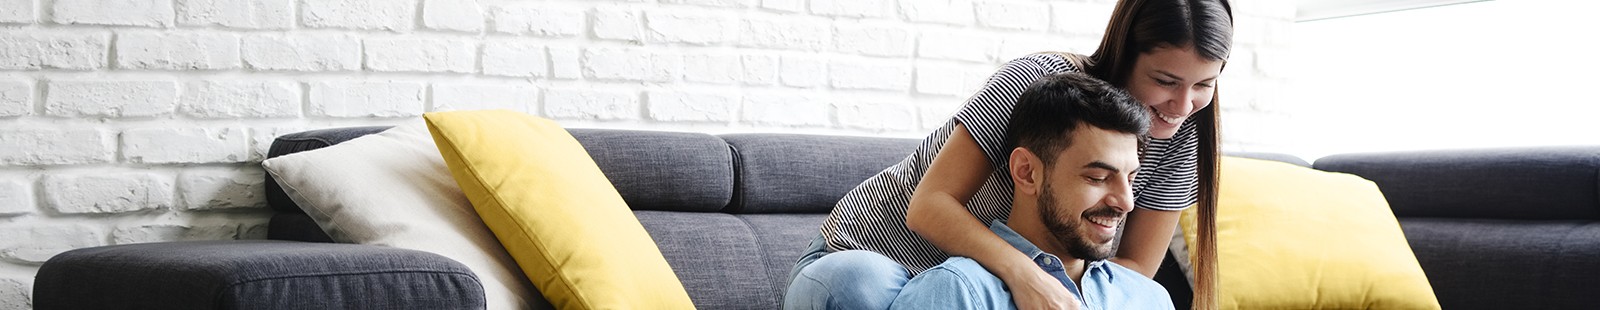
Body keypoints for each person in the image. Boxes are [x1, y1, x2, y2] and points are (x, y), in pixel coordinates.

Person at [783, 0, 1233, 309]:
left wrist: (1049, 290)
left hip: (999, 285)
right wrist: (1027, 276)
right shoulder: (1037, 83)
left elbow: (1133, 272)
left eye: (1204, 85)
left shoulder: (1181, 137)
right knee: (864, 283)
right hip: (884, 257)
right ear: (1126, 53)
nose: (1182, 105)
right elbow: (928, 207)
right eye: (1166, 81)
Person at [889, 72, 1170, 310]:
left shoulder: (1149, 298)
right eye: (1097, 177)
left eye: (1131, 178)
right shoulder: (958, 291)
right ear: (1026, 172)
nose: (1125, 202)